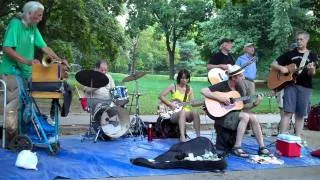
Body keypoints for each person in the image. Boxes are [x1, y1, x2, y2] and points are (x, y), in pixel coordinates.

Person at [0, 1, 69, 144]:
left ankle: (22, 135)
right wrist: (26, 61)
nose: (40, 19)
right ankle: (9, 140)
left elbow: (45, 47)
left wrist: (59, 60)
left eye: (41, 16)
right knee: (14, 108)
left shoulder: (33, 28)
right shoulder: (15, 25)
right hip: (10, 72)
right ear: (28, 13)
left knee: (25, 105)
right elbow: (7, 48)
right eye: (38, 16)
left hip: (25, 73)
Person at [201, 65, 271, 157]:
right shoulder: (223, 85)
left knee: (253, 117)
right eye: (241, 76)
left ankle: (262, 147)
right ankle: (237, 147)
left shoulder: (240, 88)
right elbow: (204, 91)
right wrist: (220, 98)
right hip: (223, 116)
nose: (243, 77)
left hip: (234, 115)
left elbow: (243, 106)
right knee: (245, 116)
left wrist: (255, 103)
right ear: (234, 77)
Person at [271, 31, 319, 138]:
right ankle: (282, 137)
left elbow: (312, 72)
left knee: (300, 114)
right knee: (287, 112)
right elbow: (273, 64)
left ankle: (297, 139)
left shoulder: (312, 55)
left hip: (305, 87)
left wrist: (311, 69)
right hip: (290, 86)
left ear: (307, 40)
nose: (299, 41)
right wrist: (281, 68)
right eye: (297, 39)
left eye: (301, 39)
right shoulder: (290, 54)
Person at [159, 69, 201, 142]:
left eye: (186, 78)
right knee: (182, 112)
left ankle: (198, 136)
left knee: (195, 112)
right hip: (173, 113)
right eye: (182, 78)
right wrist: (170, 104)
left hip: (186, 112)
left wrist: (203, 102)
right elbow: (161, 96)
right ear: (179, 78)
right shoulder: (173, 86)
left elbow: (193, 103)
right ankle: (182, 136)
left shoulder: (190, 89)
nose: (184, 80)